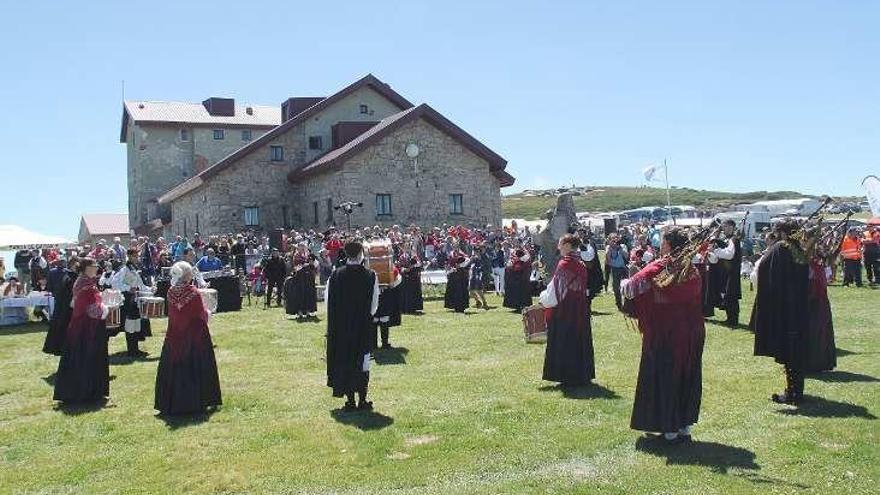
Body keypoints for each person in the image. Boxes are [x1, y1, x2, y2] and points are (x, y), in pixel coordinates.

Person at [621, 229, 706, 443]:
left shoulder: (661, 267)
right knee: (687, 375)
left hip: (665, 332)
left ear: (668, 244)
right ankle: (683, 425)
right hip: (692, 331)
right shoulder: (692, 269)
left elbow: (631, 289)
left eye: (663, 241)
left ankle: (669, 428)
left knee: (666, 376)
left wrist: (628, 278)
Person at [752, 220, 810, 405]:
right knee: (795, 351)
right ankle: (794, 391)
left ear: (783, 233)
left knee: (789, 351)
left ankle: (793, 393)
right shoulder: (799, 250)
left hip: (783, 309)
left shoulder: (780, 248)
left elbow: (762, 270)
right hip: (798, 308)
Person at [154, 261, 222, 416]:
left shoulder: (170, 291)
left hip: (175, 334)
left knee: (174, 366)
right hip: (195, 335)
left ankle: (172, 401)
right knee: (196, 364)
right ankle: (196, 400)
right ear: (187, 274)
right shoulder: (193, 292)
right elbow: (201, 315)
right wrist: (209, 313)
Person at [326, 241, 380, 411]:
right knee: (363, 363)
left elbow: (329, 302)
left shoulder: (335, 276)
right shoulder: (371, 275)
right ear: (361, 255)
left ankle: (350, 401)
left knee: (345, 360)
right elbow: (374, 304)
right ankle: (362, 400)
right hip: (362, 326)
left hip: (341, 327)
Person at [53, 257, 110, 405]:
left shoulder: (85, 281)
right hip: (86, 328)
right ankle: (85, 392)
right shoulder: (85, 283)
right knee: (85, 357)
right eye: (94, 265)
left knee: (80, 356)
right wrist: (105, 309)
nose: (97, 267)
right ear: (86, 268)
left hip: (83, 326)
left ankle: (87, 391)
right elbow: (90, 308)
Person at [541, 234, 595, 386]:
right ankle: (580, 374)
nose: (558, 246)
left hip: (565, 310)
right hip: (579, 309)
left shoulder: (564, 264)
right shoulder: (581, 264)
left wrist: (543, 298)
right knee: (578, 340)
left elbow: (556, 291)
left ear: (567, 245)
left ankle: (566, 375)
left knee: (564, 340)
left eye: (560, 243)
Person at [110, 249, 151, 357]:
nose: (137, 258)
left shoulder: (135, 269)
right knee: (130, 325)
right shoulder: (124, 269)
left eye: (137, 256)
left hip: (136, 301)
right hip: (128, 301)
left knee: (137, 324)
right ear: (129, 256)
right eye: (134, 256)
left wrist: (150, 289)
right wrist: (128, 288)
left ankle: (135, 349)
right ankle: (131, 350)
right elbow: (114, 283)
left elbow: (140, 285)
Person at [706, 220, 743, 327]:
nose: (724, 229)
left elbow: (729, 254)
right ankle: (729, 318)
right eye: (724, 226)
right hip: (727, 272)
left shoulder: (734, 240)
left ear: (732, 227)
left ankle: (733, 320)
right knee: (727, 295)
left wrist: (716, 251)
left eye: (726, 226)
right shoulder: (727, 239)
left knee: (731, 295)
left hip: (732, 272)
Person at [43, 258, 78, 356]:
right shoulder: (70, 276)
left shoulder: (66, 275)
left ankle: (59, 346)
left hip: (61, 302)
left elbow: (50, 286)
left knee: (60, 325)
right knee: (64, 326)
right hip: (67, 304)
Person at [284, 243, 319, 319]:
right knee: (300, 295)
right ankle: (299, 312)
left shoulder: (307, 254)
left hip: (308, 278)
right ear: (298, 248)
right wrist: (306, 264)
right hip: (299, 278)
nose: (302, 248)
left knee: (308, 294)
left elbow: (313, 263)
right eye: (301, 247)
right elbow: (297, 265)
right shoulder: (296, 255)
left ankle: (307, 311)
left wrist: (311, 263)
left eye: (303, 247)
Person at [373, 268, 402, 349]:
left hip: (380, 294)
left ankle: (377, 344)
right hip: (380, 294)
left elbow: (396, 277)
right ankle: (380, 343)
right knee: (379, 318)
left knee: (380, 318)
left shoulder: (389, 266)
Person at [502, 247, 532, 311]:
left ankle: (520, 306)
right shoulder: (522, 261)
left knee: (520, 295)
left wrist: (511, 267)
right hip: (521, 282)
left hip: (520, 282)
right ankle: (520, 306)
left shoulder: (522, 261)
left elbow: (517, 268)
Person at [604, 235, 629, 310]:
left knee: (626, 286)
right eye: (613, 241)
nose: (615, 242)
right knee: (616, 287)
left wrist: (620, 249)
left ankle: (627, 304)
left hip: (624, 268)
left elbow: (626, 256)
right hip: (615, 269)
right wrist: (610, 248)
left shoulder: (623, 246)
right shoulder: (609, 247)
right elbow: (608, 259)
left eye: (616, 240)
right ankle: (619, 304)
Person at [443, 245, 471, 313]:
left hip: (461, 276)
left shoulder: (463, 255)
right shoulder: (451, 254)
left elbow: (467, 261)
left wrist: (460, 266)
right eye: (454, 247)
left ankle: (461, 306)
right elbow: (448, 264)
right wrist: (449, 270)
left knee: (461, 292)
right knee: (453, 291)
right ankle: (454, 305)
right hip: (453, 276)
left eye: (457, 247)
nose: (455, 249)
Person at [398, 247, 424, 314]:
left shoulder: (415, 257)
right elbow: (401, 267)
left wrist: (415, 266)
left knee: (415, 293)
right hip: (406, 278)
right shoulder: (402, 257)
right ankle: (406, 308)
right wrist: (405, 270)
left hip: (414, 278)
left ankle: (415, 307)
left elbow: (419, 265)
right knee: (407, 294)